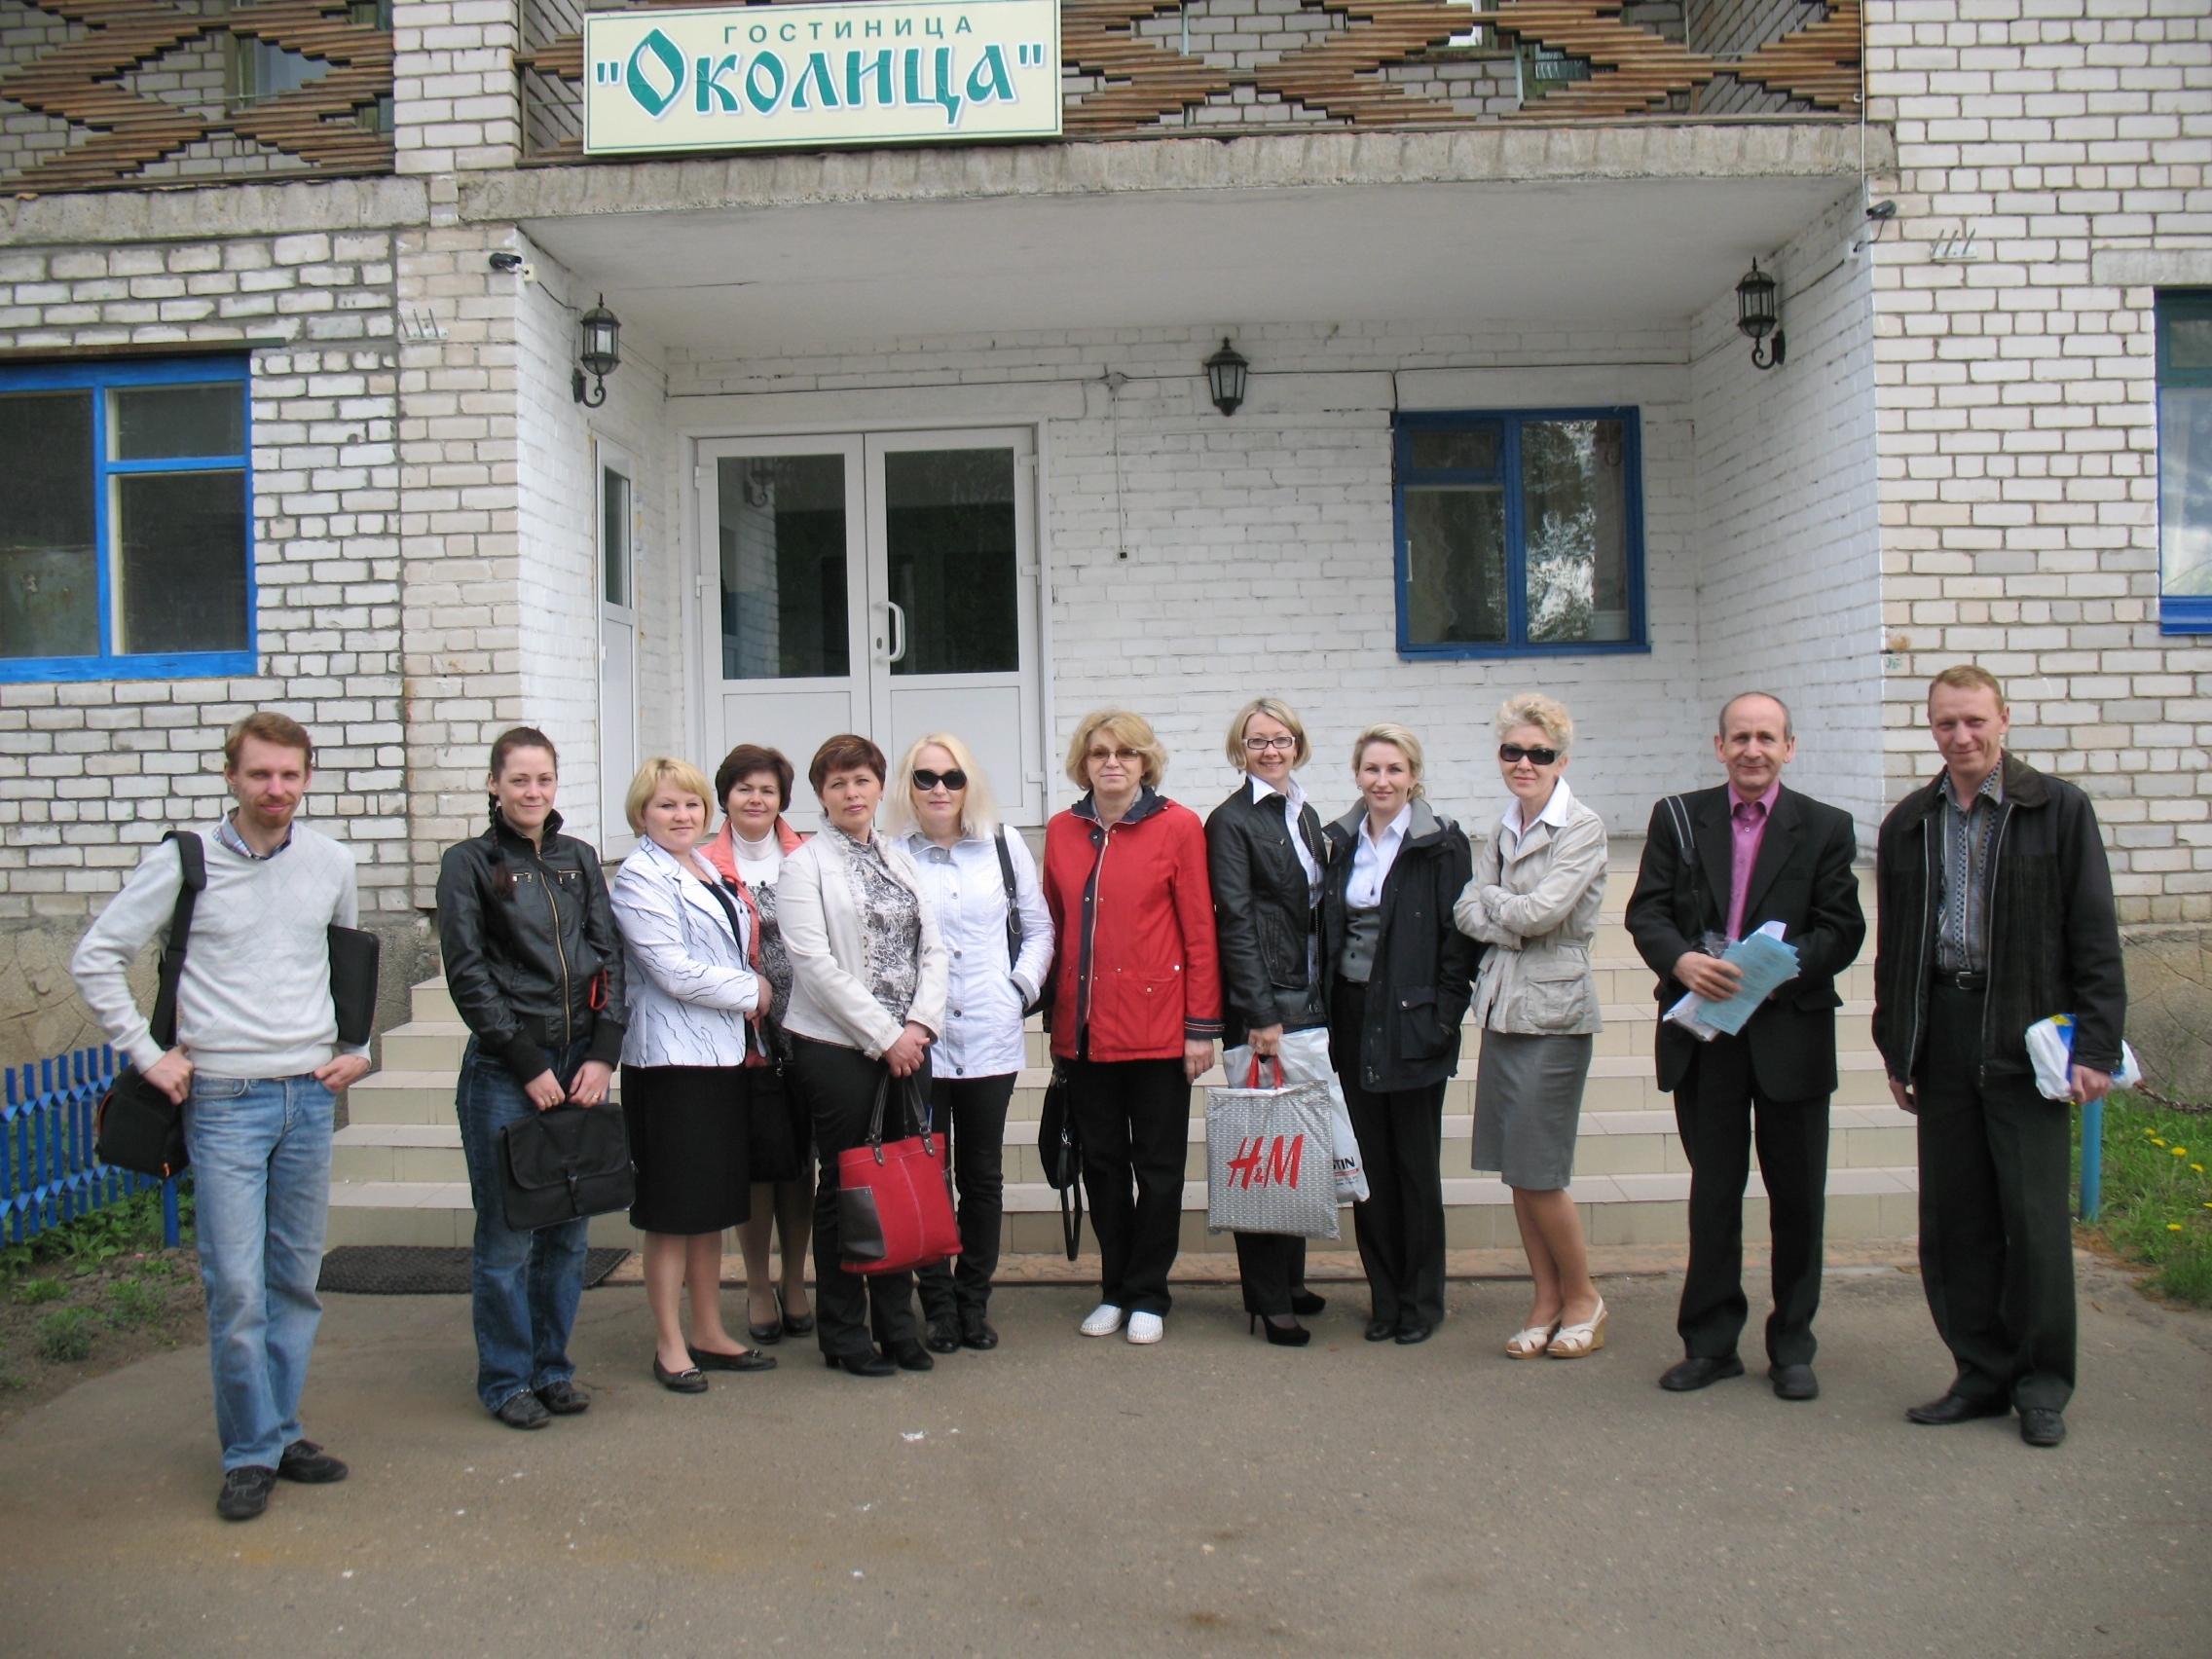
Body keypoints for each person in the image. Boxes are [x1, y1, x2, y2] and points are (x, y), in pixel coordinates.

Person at [72, 712, 371, 1522]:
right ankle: (248, 1453)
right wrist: (145, 1051)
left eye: (290, 774)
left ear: (309, 776)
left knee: (294, 1282)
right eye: (260, 774)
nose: (276, 789)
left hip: (308, 1098)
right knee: (236, 1288)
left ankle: (279, 1431)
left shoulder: (331, 862)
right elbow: (96, 955)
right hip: (225, 1103)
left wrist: (358, 1047)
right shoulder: (186, 860)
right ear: (231, 776)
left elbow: (347, 965)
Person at [1873, 665, 2126, 1450]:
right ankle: (1979, 1374)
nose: (1963, 736)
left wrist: (2097, 1046)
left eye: (1975, 720)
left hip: (2024, 1035)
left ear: (2005, 720)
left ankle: (2041, 1384)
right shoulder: (1910, 822)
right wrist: (1897, 1043)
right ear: (1931, 728)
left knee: (2034, 1221)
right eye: (1947, 723)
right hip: (1942, 1031)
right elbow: (1897, 946)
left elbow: (2093, 933)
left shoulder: (2057, 810)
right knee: (1955, 1222)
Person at [1624, 692, 1865, 1400]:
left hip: (1788, 1032)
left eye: (1766, 737)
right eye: (1740, 738)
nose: (1752, 749)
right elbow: (1647, 911)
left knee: (1798, 1201)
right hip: (1707, 1037)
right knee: (1714, 1197)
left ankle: (1792, 1344)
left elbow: (1841, 929)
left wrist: (1775, 971)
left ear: (1789, 747)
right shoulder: (1679, 817)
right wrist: (1679, 961)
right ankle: (1710, 1343)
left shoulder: (1825, 827)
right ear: (1719, 746)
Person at [434, 728, 626, 1432]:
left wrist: (603, 1054)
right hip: (507, 1071)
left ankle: (553, 1369)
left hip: (581, 1064)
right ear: (494, 784)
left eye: (543, 779)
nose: (533, 792)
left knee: (569, 1231)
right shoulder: (469, 863)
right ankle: (507, 1379)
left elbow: (611, 956)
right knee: (510, 1234)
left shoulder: (578, 860)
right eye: (519, 780)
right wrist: (526, 1062)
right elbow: (469, 972)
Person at [1041, 710, 1222, 1346]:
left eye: (1125, 753)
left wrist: (1201, 1029)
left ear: (1146, 762)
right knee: (1103, 1166)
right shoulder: (1063, 831)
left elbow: (1200, 931)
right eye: (1098, 753)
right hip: (1085, 1030)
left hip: (1158, 1029)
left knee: (1159, 1165)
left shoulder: (1178, 827)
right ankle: (1114, 1288)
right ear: (1082, 763)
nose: (1111, 763)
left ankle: (1151, 1292)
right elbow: (1054, 928)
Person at [778, 734, 950, 1378]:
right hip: (837, 1048)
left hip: (910, 1045)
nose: (852, 793)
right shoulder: (804, 865)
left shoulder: (900, 857)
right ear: (821, 796)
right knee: (849, 1190)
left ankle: (899, 1328)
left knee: (901, 1182)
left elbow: (933, 948)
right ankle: (845, 1335)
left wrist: (921, 1024)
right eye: (838, 784)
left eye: (863, 781)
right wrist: (885, 1035)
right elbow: (813, 964)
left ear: (881, 788)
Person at [609, 756, 778, 1392]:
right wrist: (752, 988)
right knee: (673, 1212)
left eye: (689, 805)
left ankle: (708, 1329)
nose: (680, 816)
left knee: (710, 1206)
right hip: (669, 1063)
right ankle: (670, 1342)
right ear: (641, 815)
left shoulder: (703, 865)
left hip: (720, 1057)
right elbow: (670, 970)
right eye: (665, 806)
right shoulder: (637, 878)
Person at [884, 733, 1053, 1354]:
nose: (938, 790)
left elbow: (1038, 930)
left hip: (988, 1037)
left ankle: (974, 1301)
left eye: (951, 778)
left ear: (968, 783)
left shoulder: (1005, 847)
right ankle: (938, 1308)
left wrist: (1018, 991)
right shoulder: (891, 853)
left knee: (981, 1176)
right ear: (908, 787)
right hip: (919, 1043)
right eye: (925, 778)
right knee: (927, 1177)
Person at [1450, 697, 1607, 1358]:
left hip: (1554, 1013)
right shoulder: (1504, 823)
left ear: (1561, 760)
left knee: (1541, 1170)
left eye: (1539, 753)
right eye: (1513, 752)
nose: (1524, 763)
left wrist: (1495, 906)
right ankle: (1545, 1299)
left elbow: (1543, 914)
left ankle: (1585, 1298)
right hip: (1503, 1009)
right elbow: (1464, 908)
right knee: (1518, 1169)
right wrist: (1498, 909)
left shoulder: (1583, 827)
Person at [1320, 722, 1477, 1346]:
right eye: (1371, 770)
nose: (1382, 781)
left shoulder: (1442, 845)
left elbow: (1459, 943)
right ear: (1357, 775)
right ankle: (1384, 1297)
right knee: (1369, 1170)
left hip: (1413, 1021)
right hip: (1353, 1020)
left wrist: (1443, 1017)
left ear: (1413, 777)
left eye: (1394, 770)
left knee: (1415, 1169)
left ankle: (1422, 1301)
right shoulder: (1338, 843)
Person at [1206, 697, 1333, 1346]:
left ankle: (1293, 1279)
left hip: (1305, 998)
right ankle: (1267, 1299)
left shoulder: (1304, 814)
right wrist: (1258, 1013)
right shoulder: (1230, 821)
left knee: (1300, 1142)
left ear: (1298, 745)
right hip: (1264, 1011)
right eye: (1257, 742)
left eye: (1280, 739)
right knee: (1264, 1150)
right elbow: (1235, 918)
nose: (1270, 750)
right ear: (1240, 752)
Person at [702, 744, 815, 1347]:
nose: (755, 800)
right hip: (743, 1037)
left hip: (811, 1031)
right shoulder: (700, 864)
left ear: (782, 800)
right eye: (744, 789)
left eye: (767, 790)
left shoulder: (808, 855)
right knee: (756, 1168)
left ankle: (796, 1281)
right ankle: (755, 1284)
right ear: (725, 796)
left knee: (799, 1166)